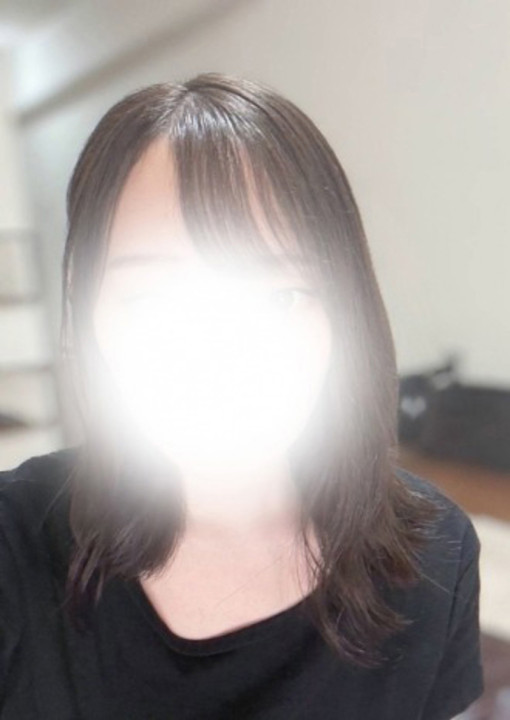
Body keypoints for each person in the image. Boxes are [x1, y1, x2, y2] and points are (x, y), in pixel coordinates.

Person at [0, 73, 483, 719]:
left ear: (345, 311)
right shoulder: (14, 545)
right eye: (151, 300)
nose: (215, 350)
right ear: (85, 315)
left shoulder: (433, 552)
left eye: (280, 297)